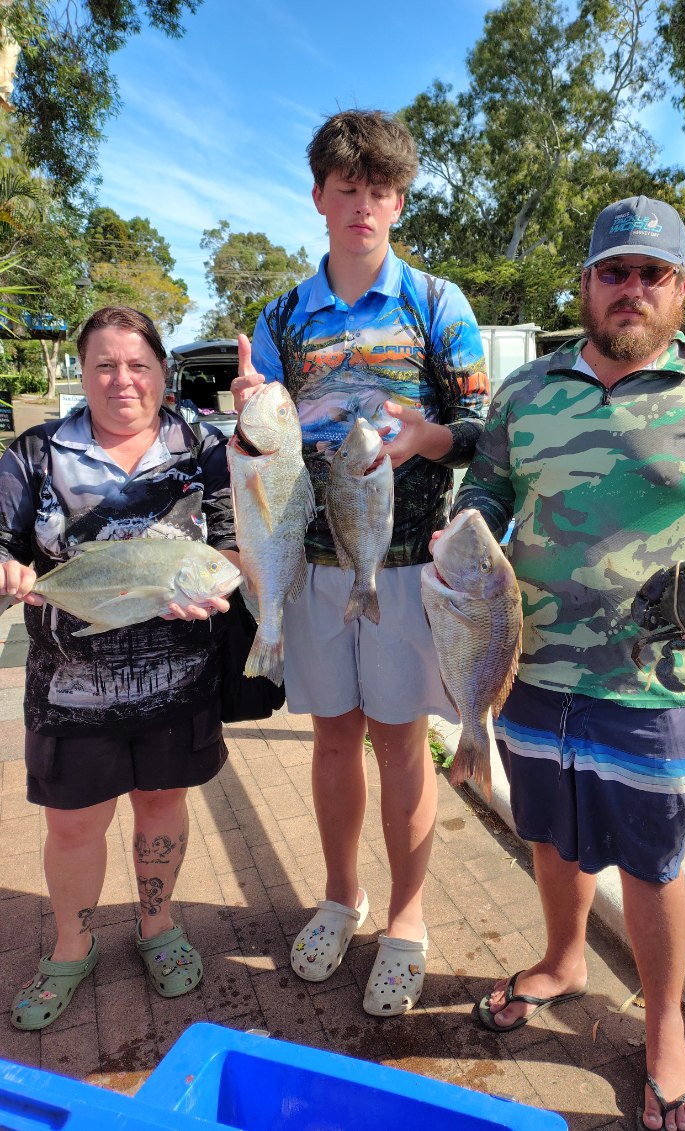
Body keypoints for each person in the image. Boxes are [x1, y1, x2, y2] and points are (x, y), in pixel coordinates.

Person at [450, 198, 685, 1129]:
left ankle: (664, 1031)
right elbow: (487, 487)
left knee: (649, 862)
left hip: (651, 682)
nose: (631, 288)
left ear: (680, 288)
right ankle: (563, 959)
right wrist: (463, 533)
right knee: (550, 834)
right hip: (527, 669)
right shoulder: (526, 393)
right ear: (587, 283)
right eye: (615, 271)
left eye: (652, 273)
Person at [232, 109, 488, 1016]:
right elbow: (259, 432)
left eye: (380, 191)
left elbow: (481, 429)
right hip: (310, 563)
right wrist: (248, 403)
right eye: (348, 189)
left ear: (400, 203)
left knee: (401, 740)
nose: (364, 207)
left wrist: (430, 438)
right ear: (319, 197)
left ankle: (408, 919)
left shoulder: (437, 304)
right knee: (334, 736)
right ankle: (343, 896)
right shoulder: (281, 316)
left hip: (407, 562)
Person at [0, 306, 238, 1031]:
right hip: (71, 689)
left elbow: (236, 543)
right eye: (104, 365)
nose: (121, 379)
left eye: (138, 364)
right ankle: (72, 945)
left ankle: (157, 924)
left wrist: (217, 583)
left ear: (163, 372)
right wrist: (10, 571)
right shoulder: (36, 451)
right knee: (74, 825)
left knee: (162, 807)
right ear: (82, 373)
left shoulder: (203, 446)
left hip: (179, 685)